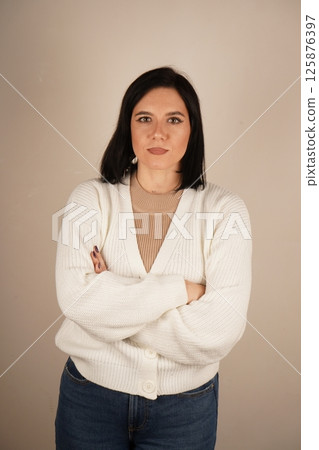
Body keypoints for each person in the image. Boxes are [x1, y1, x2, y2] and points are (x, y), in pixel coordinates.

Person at [54, 67, 252, 449]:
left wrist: (110, 303)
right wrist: (183, 290)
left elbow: (219, 332)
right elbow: (75, 300)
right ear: (127, 126)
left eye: (173, 120)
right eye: (144, 118)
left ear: (191, 129)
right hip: (89, 398)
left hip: (185, 410)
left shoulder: (226, 211)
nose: (157, 132)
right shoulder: (89, 200)